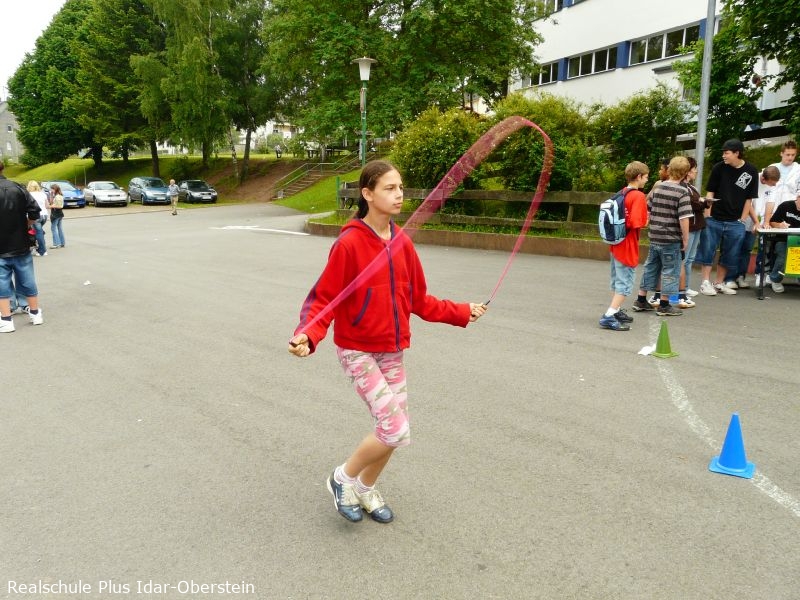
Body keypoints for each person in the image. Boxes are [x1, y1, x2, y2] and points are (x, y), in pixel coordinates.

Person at [287, 160, 487, 524]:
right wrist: (308, 334)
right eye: (389, 188)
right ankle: (342, 479)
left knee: (395, 430)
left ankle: (365, 488)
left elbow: (420, 301)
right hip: (357, 350)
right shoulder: (349, 244)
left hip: (391, 351)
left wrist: (461, 311)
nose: (399, 195)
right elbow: (324, 298)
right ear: (367, 194)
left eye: (401, 188)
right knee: (394, 428)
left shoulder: (402, 244)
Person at [695, 139, 759, 296]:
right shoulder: (718, 168)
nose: (723, 155)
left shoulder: (751, 171)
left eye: (726, 152)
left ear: (737, 153)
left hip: (736, 221)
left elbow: (749, 198)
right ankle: (705, 282)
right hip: (714, 218)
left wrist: (742, 220)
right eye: (723, 152)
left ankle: (719, 283)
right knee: (708, 249)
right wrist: (708, 215)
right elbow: (710, 191)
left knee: (730, 253)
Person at [631, 156, 692, 316]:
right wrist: (685, 238)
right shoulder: (682, 192)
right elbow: (684, 218)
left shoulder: (658, 187)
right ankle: (664, 304)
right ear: (685, 173)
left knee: (651, 267)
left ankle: (641, 299)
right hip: (671, 238)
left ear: (669, 169)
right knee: (670, 270)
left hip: (655, 236)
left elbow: (648, 207)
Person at [599, 161, 649, 331]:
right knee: (625, 283)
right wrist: (647, 219)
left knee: (616, 280)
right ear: (639, 176)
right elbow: (636, 222)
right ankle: (609, 315)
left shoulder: (621, 193)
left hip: (616, 243)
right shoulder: (638, 196)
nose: (646, 180)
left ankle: (616, 310)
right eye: (646, 177)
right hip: (628, 245)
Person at [0, 159, 44, 333]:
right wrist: (25, 224)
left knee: (1, 283)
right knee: (27, 279)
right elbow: (35, 212)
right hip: (21, 243)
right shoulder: (18, 188)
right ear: (3, 168)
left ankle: (6, 319)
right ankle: (35, 313)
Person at [677, 157, 709, 305]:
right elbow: (692, 204)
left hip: (697, 225)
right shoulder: (682, 187)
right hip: (689, 226)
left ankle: (686, 286)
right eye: (694, 169)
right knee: (684, 259)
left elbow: (697, 202)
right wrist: (703, 203)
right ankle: (682, 288)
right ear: (688, 171)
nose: (696, 172)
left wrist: (703, 202)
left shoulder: (691, 187)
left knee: (690, 258)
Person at [751, 166, 781, 287]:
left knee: (766, 245)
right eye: (772, 183)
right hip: (748, 213)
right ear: (763, 179)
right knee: (744, 246)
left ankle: (763, 273)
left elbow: (770, 203)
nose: (774, 185)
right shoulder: (754, 179)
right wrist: (756, 222)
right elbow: (749, 202)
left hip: (764, 215)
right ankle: (754, 274)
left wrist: (767, 222)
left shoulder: (773, 183)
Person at [766, 188, 800, 293]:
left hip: (798, 241)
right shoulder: (786, 206)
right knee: (783, 256)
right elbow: (772, 222)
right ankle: (775, 279)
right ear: (798, 197)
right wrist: (780, 225)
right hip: (783, 239)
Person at [769, 140, 800, 215]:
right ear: (781, 153)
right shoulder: (772, 167)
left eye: (793, 155)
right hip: (772, 208)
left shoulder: (798, 169)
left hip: (791, 210)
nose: (790, 157)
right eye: (788, 154)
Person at [27, 181, 49, 256]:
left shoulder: (29, 194)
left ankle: (42, 251)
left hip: (36, 215)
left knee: (37, 233)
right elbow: (47, 205)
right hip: (44, 215)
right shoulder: (43, 194)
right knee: (39, 232)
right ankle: (39, 248)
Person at [48, 183, 65, 248]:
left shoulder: (58, 196)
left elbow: (60, 206)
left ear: (54, 189)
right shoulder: (57, 196)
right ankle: (62, 242)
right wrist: (51, 195)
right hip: (59, 214)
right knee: (59, 228)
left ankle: (56, 244)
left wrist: (50, 206)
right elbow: (51, 202)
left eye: (51, 189)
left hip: (56, 214)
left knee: (53, 228)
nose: (51, 190)